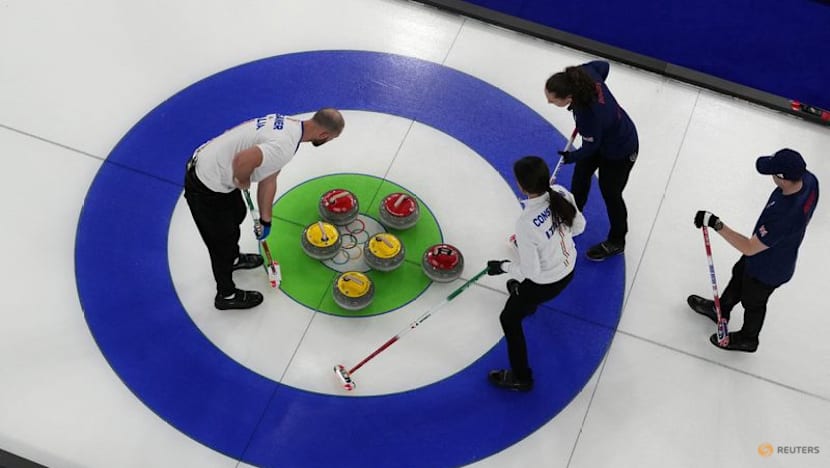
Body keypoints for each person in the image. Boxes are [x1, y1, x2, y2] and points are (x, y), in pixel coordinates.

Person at [184, 108, 345, 310]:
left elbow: (269, 179)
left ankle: (234, 258)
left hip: (219, 170)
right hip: (206, 183)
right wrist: (242, 178)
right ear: (323, 135)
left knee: (237, 213)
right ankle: (226, 294)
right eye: (330, 139)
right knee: (220, 243)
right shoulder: (283, 146)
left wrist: (265, 220)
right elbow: (243, 160)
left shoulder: (291, 127)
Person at [688, 148, 819, 352]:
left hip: (769, 269)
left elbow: (749, 247)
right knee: (739, 274)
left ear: (783, 179)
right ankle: (720, 309)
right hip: (766, 254)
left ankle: (749, 339)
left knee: (753, 301)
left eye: (773, 173)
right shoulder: (810, 181)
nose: (771, 177)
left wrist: (716, 223)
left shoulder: (785, 216)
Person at [486, 156, 585, 391]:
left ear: (521, 186)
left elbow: (531, 273)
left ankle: (522, 377)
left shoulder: (526, 223)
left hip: (546, 283)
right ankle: (526, 301)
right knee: (525, 296)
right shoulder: (560, 192)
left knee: (508, 319)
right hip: (569, 267)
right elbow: (579, 227)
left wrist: (502, 266)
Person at [544, 60, 639, 261]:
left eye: (553, 101)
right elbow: (603, 66)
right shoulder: (583, 74)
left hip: (620, 149)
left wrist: (570, 157)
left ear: (569, 97)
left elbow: (590, 148)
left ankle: (617, 241)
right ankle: (572, 216)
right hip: (602, 135)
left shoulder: (589, 117)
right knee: (580, 177)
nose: (550, 103)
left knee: (611, 193)